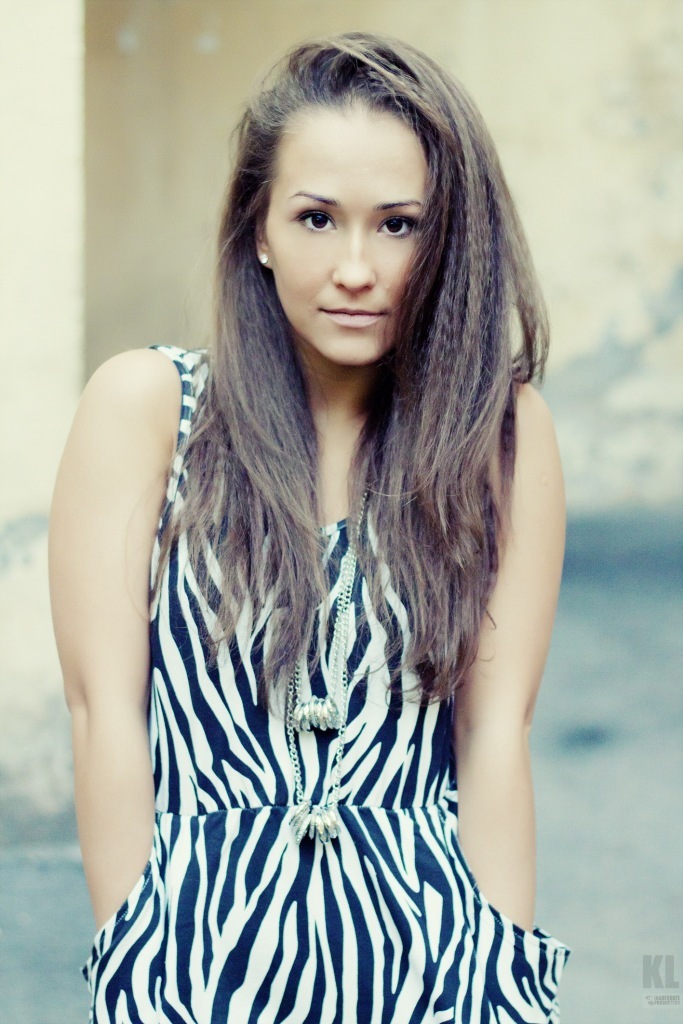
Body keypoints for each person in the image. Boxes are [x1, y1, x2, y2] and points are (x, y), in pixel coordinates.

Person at [49, 31, 572, 1024]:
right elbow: (102, 714)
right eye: (316, 218)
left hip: (430, 961)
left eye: (399, 225)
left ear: (446, 238)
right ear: (259, 228)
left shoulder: (501, 435)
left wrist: (500, 972)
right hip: (200, 962)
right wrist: (137, 954)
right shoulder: (148, 408)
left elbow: (493, 736)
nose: (355, 268)